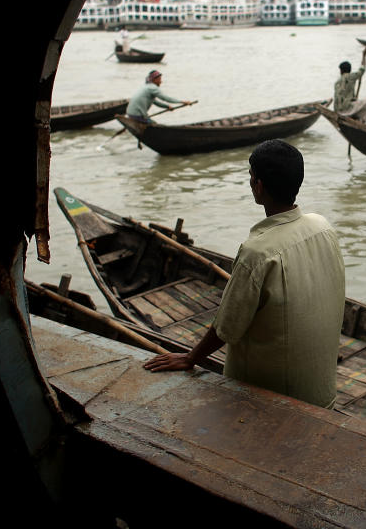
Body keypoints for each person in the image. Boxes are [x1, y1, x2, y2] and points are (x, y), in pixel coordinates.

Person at [143, 139, 346, 409]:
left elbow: (226, 327)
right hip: (321, 394)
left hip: (274, 403)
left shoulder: (257, 252)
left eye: (251, 177)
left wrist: (191, 358)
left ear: (258, 186)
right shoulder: (322, 226)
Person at [125, 70, 194, 123]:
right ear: (155, 80)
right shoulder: (153, 88)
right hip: (137, 115)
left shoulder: (147, 87)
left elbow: (155, 102)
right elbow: (165, 98)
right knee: (153, 125)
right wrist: (182, 102)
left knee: (151, 123)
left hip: (130, 113)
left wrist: (167, 106)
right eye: (160, 79)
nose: (161, 82)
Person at [333, 46, 366, 114]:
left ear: (341, 71)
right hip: (347, 108)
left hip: (337, 110)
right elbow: (362, 69)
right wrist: (364, 55)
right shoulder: (351, 77)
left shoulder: (337, 82)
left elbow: (338, 97)